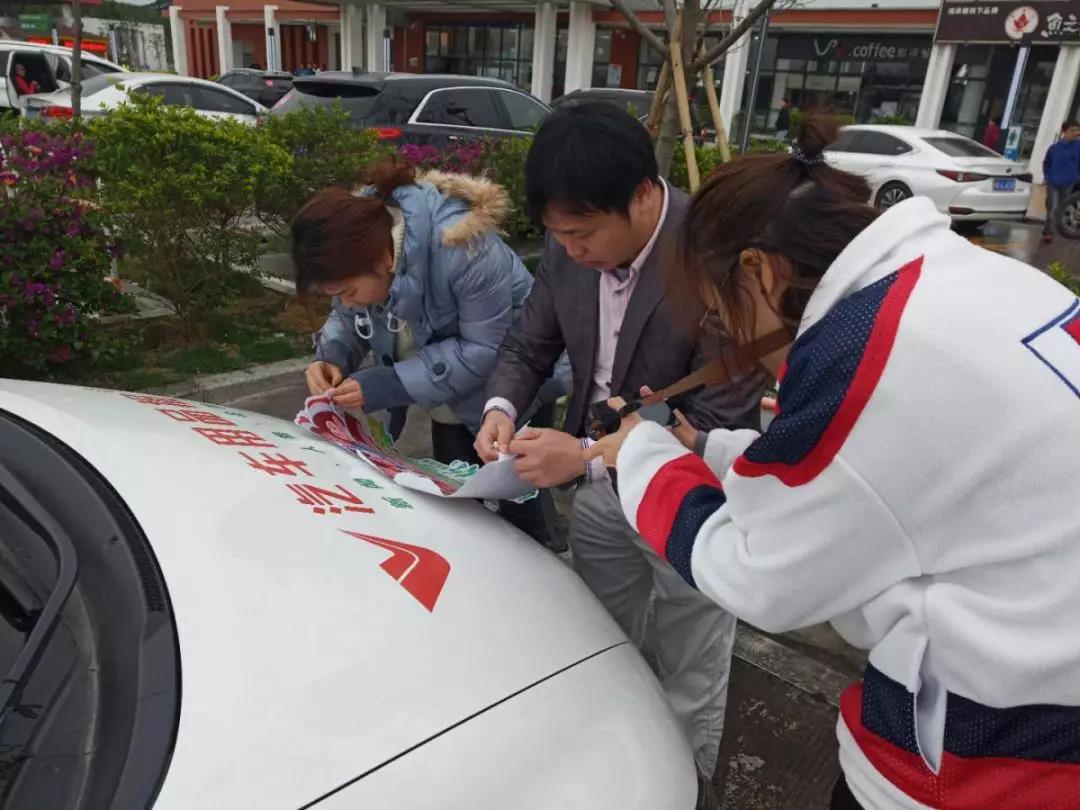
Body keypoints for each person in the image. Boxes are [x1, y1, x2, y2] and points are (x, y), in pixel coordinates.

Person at [586, 114, 1080, 810]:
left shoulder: (868, 353)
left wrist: (639, 451)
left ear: (756, 271)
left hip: (990, 758)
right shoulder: (965, 279)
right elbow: (878, 479)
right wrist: (707, 448)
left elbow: (762, 575)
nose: (733, 339)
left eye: (724, 316)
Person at [475, 102, 766, 794]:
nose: (571, 251)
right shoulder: (570, 244)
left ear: (642, 195)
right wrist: (500, 408)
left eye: (581, 234)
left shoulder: (716, 254)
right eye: (558, 236)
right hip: (602, 496)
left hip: (693, 495)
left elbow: (719, 411)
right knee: (600, 641)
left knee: (689, 656)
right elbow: (530, 341)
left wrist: (584, 454)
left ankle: (685, 786)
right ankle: (610, 776)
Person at [292, 155, 568, 550]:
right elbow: (350, 316)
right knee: (456, 497)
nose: (345, 301)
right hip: (444, 392)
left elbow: (485, 350)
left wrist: (387, 384)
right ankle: (474, 575)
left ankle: (548, 573)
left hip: (514, 387)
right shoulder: (362, 242)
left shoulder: (463, 246)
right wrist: (332, 356)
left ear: (384, 260)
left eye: (348, 290)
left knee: (522, 502)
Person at [1042, 119, 1080, 243]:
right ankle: (1049, 232)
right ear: (1064, 132)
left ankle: (1057, 228)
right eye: (1072, 130)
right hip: (1053, 181)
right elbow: (1047, 163)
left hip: (1069, 183)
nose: (1076, 133)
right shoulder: (1054, 148)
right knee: (1052, 207)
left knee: (1062, 208)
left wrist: (1076, 178)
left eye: (1077, 130)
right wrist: (1048, 176)